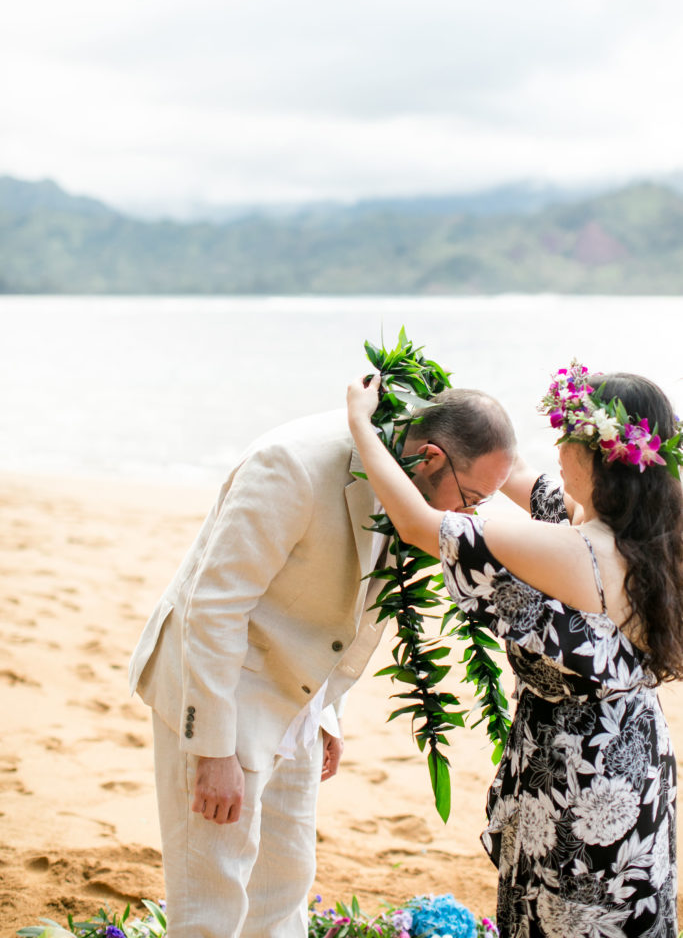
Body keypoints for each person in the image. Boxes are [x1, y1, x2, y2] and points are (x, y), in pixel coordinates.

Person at [129, 392, 515, 938]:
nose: (466, 516)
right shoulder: (292, 465)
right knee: (210, 906)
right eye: (470, 496)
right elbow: (213, 608)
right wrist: (212, 751)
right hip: (223, 691)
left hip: (301, 704)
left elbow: (349, 606)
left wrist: (327, 711)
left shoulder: (408, 482)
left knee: (284, 887)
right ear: (430, 456)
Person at [347, 361, 683, 938]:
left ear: (600, 455)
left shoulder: (576, 550)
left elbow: (420, 525)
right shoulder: (649, 533)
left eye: (568, 435)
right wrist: (454, 418)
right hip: (632, 755)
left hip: (582, 777)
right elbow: (516, 472)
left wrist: (360, 424)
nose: (557, 447)